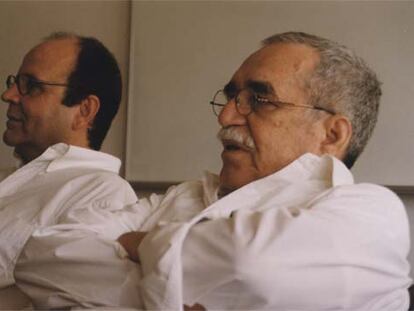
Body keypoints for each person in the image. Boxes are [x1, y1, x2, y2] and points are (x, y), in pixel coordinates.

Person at [14, 32, 411, 310]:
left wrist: (143, 244)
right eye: (230, 96)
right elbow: (41, 256)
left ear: (332, 133)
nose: (225, 114)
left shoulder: (372, 214)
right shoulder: (182, 197)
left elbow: (249, 265)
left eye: (259, 98)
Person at [0, 32, 142, 309]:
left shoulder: (104, 194)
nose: (9, 95)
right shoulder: (9, 178)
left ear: (84, 110)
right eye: (15, 83)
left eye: (32, 86)